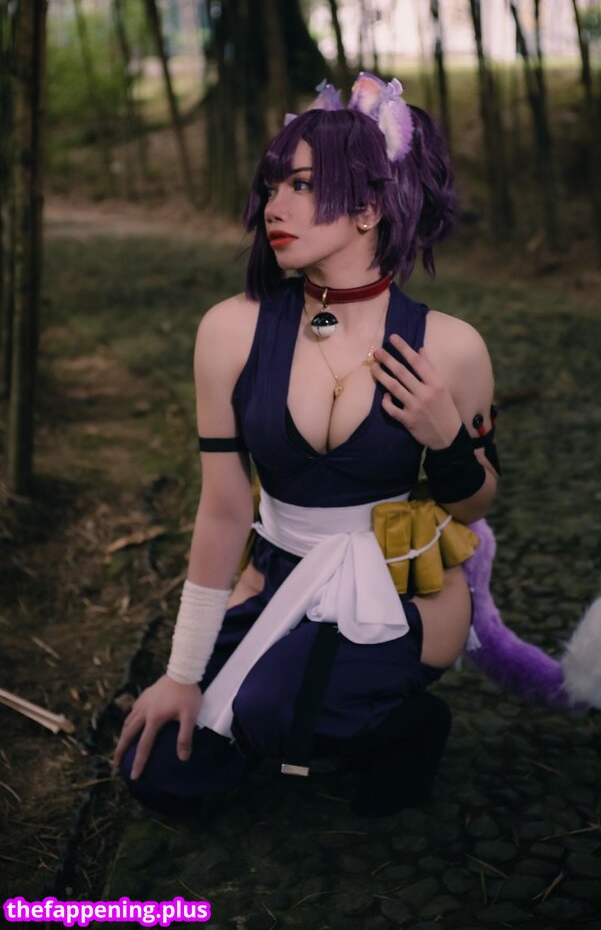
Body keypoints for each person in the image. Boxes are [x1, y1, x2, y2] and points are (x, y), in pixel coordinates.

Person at [112, 72, 502, 817]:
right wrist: (182, 672)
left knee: (270, 709)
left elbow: (478, 501)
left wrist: (447, 440)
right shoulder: (230, 330)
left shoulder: (451, 347)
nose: (273, 207)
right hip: (276, 576)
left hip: (397, 591)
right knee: (160, 772)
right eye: (272, 186)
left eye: (300, 185)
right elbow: (225, 509)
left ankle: (407, 726)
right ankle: (299, 711)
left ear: (367, 208)